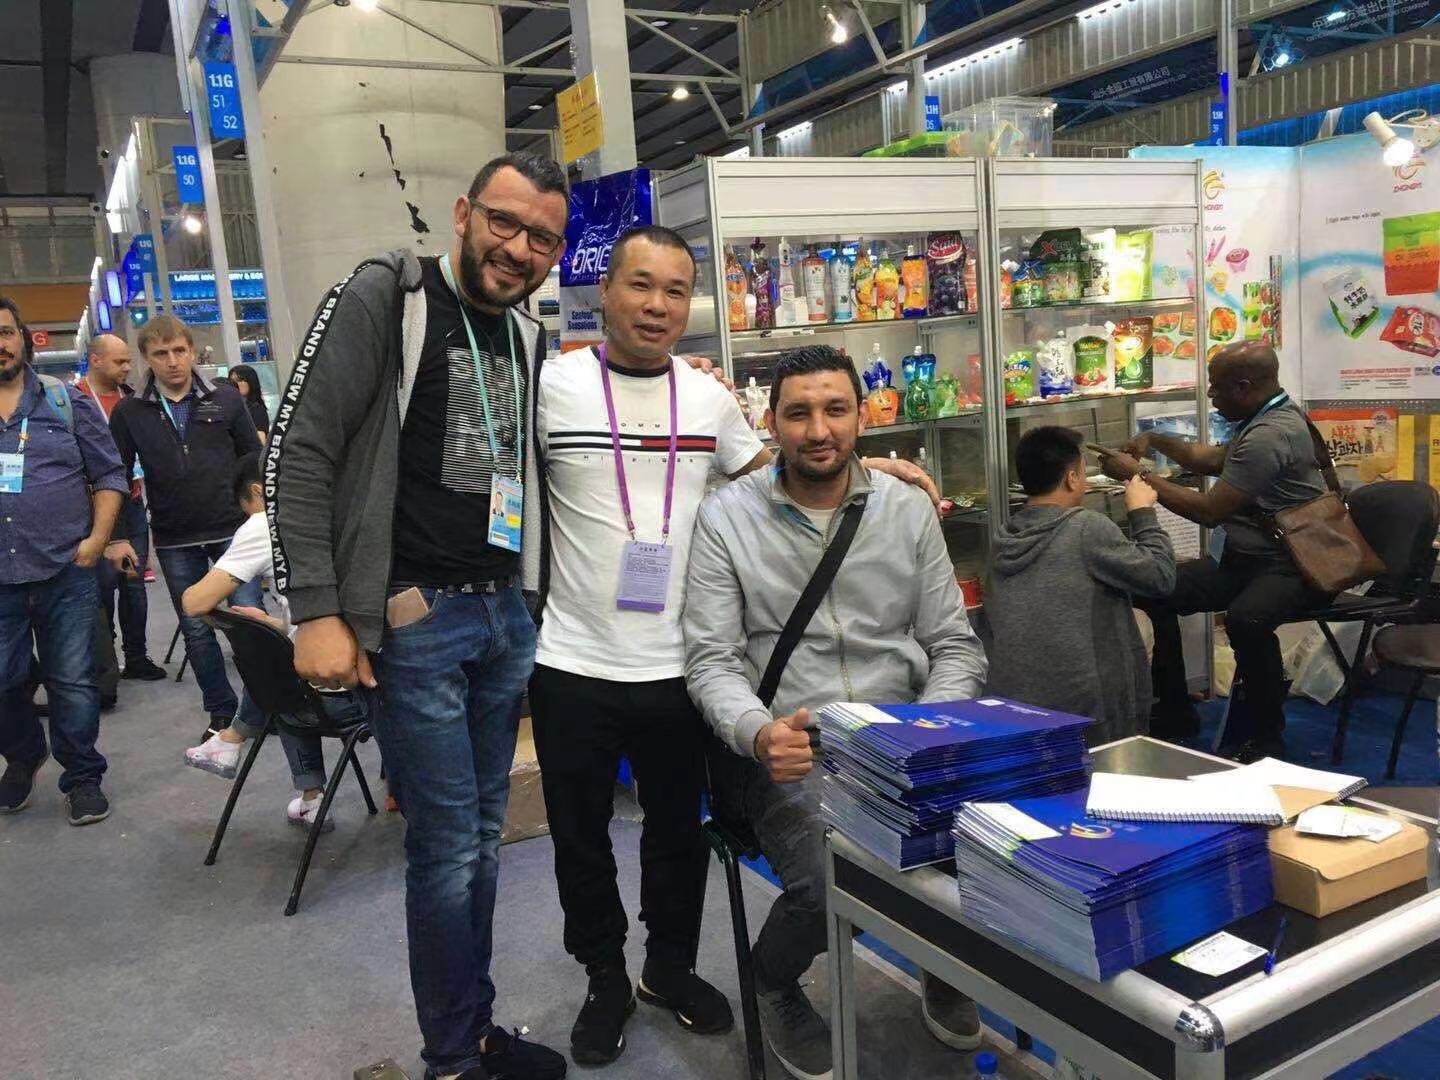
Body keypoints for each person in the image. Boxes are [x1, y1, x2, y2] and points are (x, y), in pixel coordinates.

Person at [266, 152, 573, 1080]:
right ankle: (451, 1059)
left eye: (542, 237)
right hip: (415, 623)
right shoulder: (384, 297)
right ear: (464, 213)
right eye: (505, 222)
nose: (519, 248)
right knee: (446, 853)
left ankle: (471, 1031)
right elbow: (298, 452)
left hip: (501, 617)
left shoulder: (526, 335)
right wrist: (316, 609)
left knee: (481, 843)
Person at [683, 345, 990, 1080]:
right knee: (829, 881)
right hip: (797, 745)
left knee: (993, 847)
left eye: (835, 410)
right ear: (771, 423)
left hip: (909, 733)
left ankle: (942, 958)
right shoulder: (726, 519)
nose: (818, 430)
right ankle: (773, 979)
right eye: (799, 413)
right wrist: (758, 733)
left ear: (862, 416)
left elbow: (954, 644)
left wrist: (927, 727)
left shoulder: (906, 509)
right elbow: (711, 661)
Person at [1101, 342, 1329, 759]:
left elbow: (1210, 511)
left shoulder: (1270, 435)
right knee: (1155, 588)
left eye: (1217, 388)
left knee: (1246, 620)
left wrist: (1139, 477)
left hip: (1292, 564)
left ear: (1244, 386)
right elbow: (1210, 459)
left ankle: (1266, 736)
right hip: (1248, 558)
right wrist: (1154, 440)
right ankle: (1173, 712)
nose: (1210, 396)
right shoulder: (1268, 416)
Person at [0, 295, 134, 825]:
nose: (0, 344)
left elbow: (109, 474)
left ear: (23, 338)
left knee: (73, 680)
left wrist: (98, 539)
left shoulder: (63, 401)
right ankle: (24, 754)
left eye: (5, 332)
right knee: (3, 679)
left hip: (65, 570)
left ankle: (82, 777)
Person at [181, 452, 360, 830]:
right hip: (383, 679)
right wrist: (269, 623)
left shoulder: (266, 523)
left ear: (259, 492)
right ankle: (244, 748)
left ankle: (237, 741)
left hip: (336, 697)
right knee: (280, 656)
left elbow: (195, 602)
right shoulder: (341, 506)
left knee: (280, 682)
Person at [110, 316, 264, 736]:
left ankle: (264, 709)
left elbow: (251, 457)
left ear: (192, 351)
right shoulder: (129, 412)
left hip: (234, 532)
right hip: (175, 536)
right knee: (197, 630)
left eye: (179, 351)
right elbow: (116, 474)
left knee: (251, 623)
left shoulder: (225, 398)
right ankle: (221, 714)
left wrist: (261, 515)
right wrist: (118, 534)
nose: (173, 361)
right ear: (146, 358)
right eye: (161, 353)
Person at [985, 425, 1176, 745]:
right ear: (1072, 478)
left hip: (1014, 706)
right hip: (1086, 716)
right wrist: (1142, 512)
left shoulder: (1004, 537)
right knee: (1142, 624)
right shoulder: (1086, 527)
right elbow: (1161, 577)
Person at [77, 334, 166, 686]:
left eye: (128, 360)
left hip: (132, 501)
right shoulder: (76, 400)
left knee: (134, 583)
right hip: (93, 507)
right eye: (120, 361)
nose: (127, 367)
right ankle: (106, 661)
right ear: (96, 360)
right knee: (101, 587)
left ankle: (137, 656)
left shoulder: (134, 399)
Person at [228, 363, 270, 441]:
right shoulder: (232, 408)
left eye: (239, 380)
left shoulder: (257, 410)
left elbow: (260, 440)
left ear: (251, 382)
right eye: (232, 381)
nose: (236, 384)